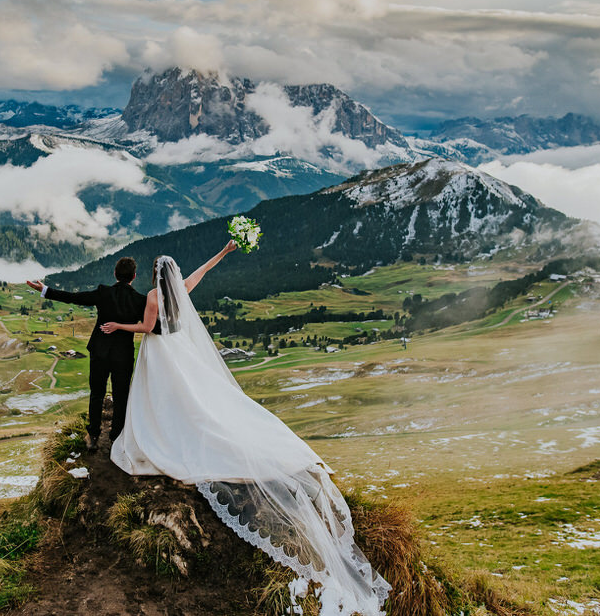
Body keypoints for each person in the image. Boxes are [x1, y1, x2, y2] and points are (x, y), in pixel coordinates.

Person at [101, 242, 390, 616]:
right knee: (195, 401)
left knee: (161, 401)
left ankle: (162, 434)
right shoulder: (179, 291)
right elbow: (200, 273)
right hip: (181, 353)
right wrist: (224, 251)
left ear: (155, 274)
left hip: (160, 353)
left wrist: (117, 325)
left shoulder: (156, 295)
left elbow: (147, 327)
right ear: (172, 273)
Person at [26, 257, 146, 452]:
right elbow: (150, 325)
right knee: (121, 396)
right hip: (123, 355)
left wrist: (45, 290)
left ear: (115, 274)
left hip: (99, 351)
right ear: (134, 276)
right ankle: (117, 437)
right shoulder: (140, 300)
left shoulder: (103, 293)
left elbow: (75, 298)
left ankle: (93, 435)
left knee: (97, 394)